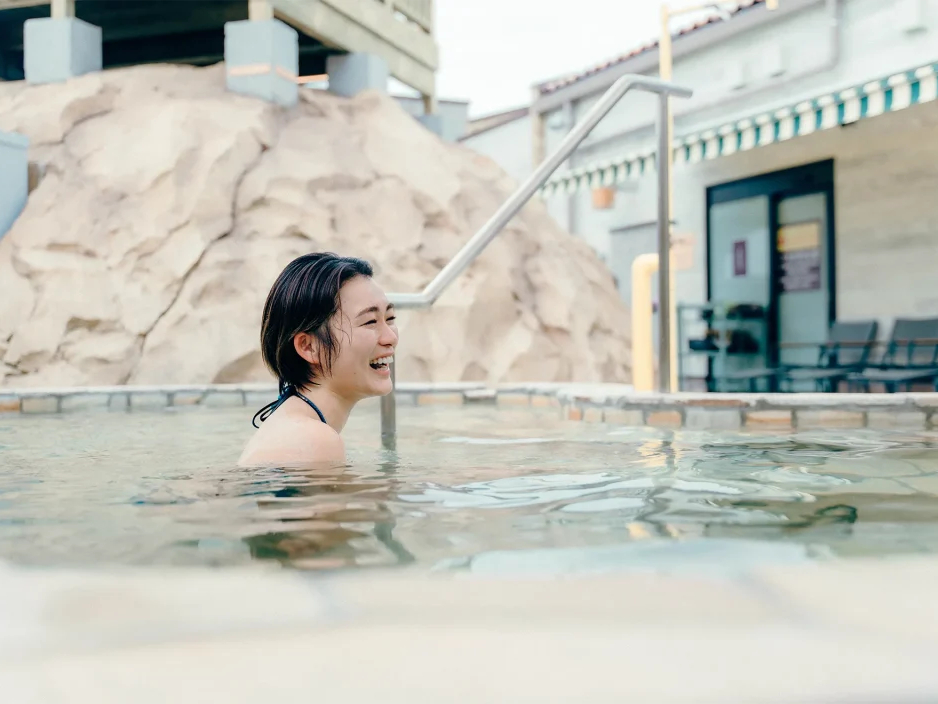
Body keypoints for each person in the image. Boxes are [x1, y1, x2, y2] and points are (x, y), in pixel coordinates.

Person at [239, 253, 398, 467]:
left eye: (390, 318)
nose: (391, 337)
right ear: (309, 347)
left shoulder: (295, 428)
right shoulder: (313, 441)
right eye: (370, 321)